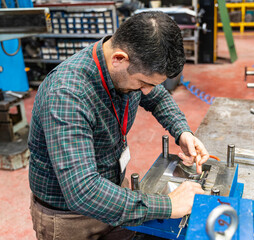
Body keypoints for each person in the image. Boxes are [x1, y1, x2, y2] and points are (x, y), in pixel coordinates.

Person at [28, 11, 209, 240]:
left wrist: (182, 132)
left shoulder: (128, 70)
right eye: (143, 83)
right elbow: (83, 192)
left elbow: (158, 97)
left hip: (114, 192)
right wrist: (168, 205)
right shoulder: (67, 94)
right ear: (119, 59)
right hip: (71, 218)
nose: (147, 91)